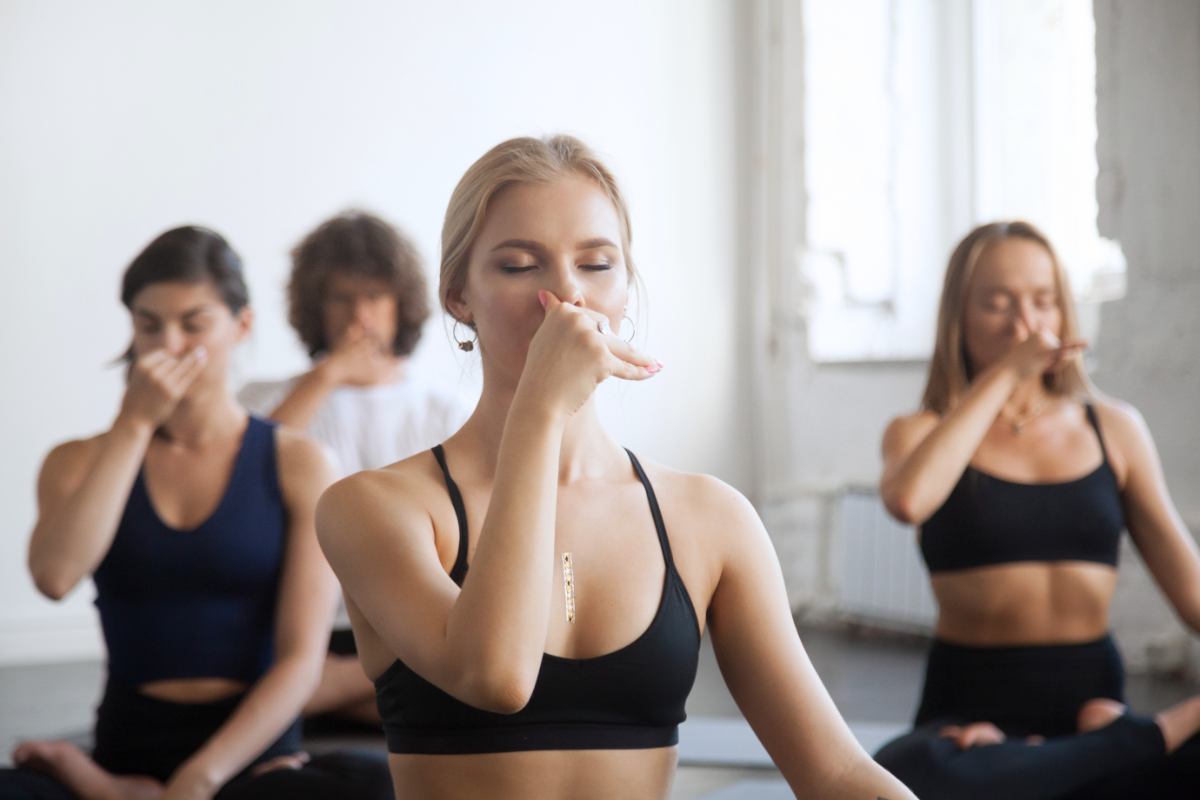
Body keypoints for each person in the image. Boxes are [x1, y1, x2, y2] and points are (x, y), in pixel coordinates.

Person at [315, 135, 919, 800]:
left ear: (626, 290)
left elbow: (834, 771)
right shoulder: (374, 507)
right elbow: (497, 677)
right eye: (519, 266)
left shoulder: (708, 518)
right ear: (460, 297)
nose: (567, 295)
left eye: (598, 264)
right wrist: (539, 416)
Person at [1, 227, 392, 800]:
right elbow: (55, 577)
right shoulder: (77, 461)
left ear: (241, 326)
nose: (169, 346)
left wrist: (198, 779)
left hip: (253, 757)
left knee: (372, 784)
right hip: (128, 744)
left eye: (194, 323)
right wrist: (132, 426)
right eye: (149, 324)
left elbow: (301, 660)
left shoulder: (298, 462)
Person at [873, 221, 1200, 799]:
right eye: (998, 304)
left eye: (1044, 302)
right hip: (969, 713)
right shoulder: (919, 432)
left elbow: (1192, 592)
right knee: (904, 775)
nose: (1025, 324)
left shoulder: (1114, 429)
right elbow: (907, 501)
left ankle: (1098, 750)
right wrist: (1006, 374)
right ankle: (1135, 742)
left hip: (1089, 697)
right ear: (959, 318)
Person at [239, 212, 468, 728]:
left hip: (410, 622)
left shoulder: (445, 411)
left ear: (399, 304)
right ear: (316, 306)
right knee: (442, 698)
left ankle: (306, 697)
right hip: (299, 625)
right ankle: (369, 692)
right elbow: (238, 486)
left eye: (374, 297)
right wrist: (329, 375)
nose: (359, 315)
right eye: (342, 298)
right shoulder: (265, 399)